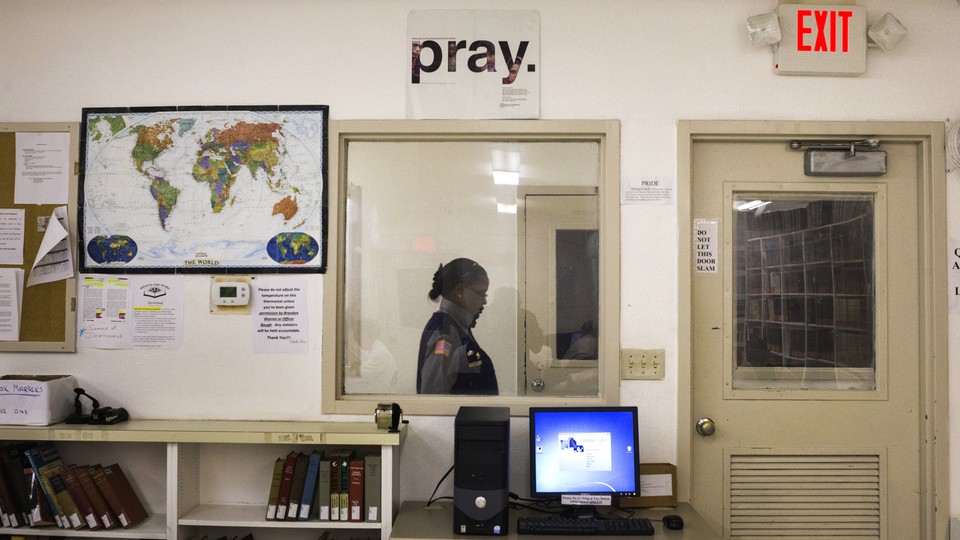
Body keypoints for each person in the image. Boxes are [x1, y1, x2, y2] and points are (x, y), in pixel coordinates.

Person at [416, 258, 499, 395]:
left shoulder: (458, 327)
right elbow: (433, 397)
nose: (484, 301)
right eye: (480, 293)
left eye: (486, 294)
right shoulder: (446, 335)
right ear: (459, 290)